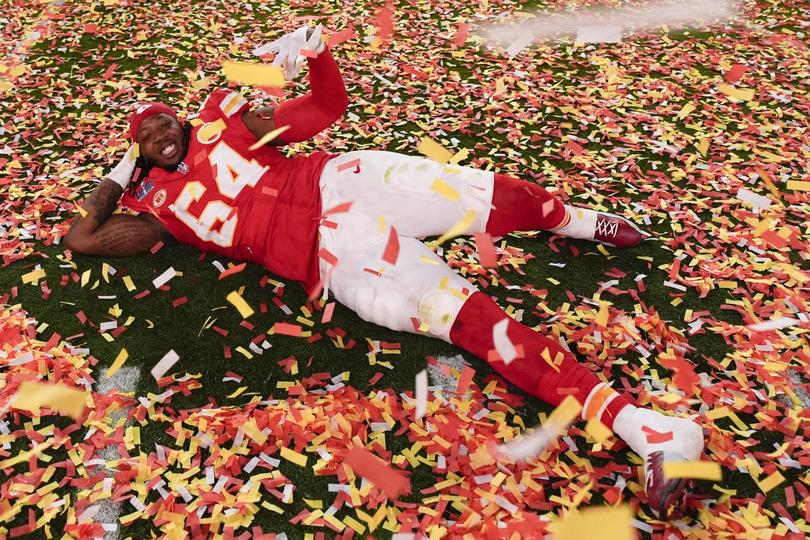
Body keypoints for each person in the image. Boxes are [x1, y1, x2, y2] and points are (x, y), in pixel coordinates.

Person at [63, 25, 704, 519]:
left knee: (486, 196)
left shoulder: (223, 128)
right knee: (476, 325)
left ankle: (573, 221)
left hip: (345, 183)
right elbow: (81, 238)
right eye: (143, 137)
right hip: (333, 257)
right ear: (139, 154)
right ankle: (647, 428)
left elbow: (325, 110)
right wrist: (122, 175)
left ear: (180, 116)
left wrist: (317, 56)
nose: (158, 134)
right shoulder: (159, 209)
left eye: (161, 121)